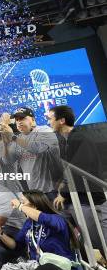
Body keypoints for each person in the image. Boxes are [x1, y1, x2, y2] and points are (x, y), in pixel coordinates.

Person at [0, 190, 83, 270]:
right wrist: (0, 234)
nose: (19, 206)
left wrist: (20, 206)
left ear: (35, 205)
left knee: (47, 268)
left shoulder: (57, 219)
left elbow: (43, 218)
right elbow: (16, 245)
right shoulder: (29, 223)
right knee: (1, 267)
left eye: (23, 202)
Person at [48, 105, 107, 248]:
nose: (49, 122)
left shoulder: (79, 138)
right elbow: (68, 170)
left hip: (90, 201)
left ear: (61, 120)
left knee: (101, 242)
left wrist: (63, 193)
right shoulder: (65, 140)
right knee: (92, 243)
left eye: (50, 119)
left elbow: (78, 170)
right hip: (78, 199)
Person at [0, 108, 61, 198]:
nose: (19, 122)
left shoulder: (44, 130)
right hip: (34, 193)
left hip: (52, 190)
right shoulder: (18, 138)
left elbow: (37, 148)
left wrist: (12, 137)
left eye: (23, 118)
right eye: (17, 120)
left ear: (33, 119)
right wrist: (5, 143)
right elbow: (7, 161)